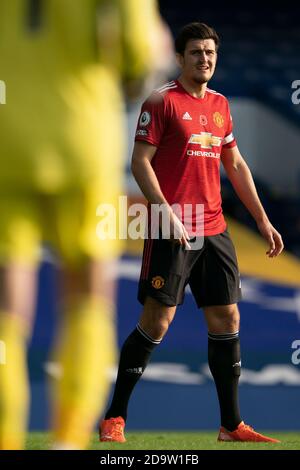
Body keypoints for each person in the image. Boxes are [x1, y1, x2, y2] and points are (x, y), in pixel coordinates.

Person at [100, 22, 284, 443]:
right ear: (180, 58)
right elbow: (139, 163)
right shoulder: (160, 101)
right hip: (171, 227)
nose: (205, 59)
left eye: (211, 53)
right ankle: (114, 417)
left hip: (215, 228)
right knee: (158, 322)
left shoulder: (220, 105)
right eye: (197, 52)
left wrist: (261, 219)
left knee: (227, 317)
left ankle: (231, 424)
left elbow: (234, 165)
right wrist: (165, 212)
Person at [0, 0, 171, 450]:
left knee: (6, 297)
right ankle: (69, 436)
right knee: (87, 292)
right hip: (82, 135)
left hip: (4, 142)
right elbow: (138, 53)